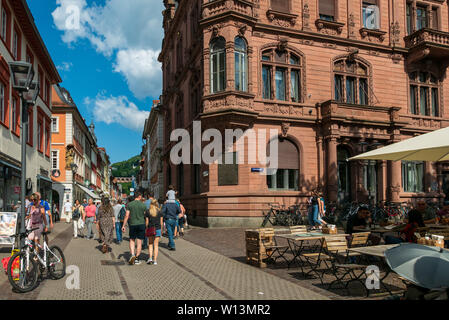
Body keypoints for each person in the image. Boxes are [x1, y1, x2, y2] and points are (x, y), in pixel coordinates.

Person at [122, 192, 147, 265]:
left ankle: (132, 254)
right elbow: (146, 215)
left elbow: (126, 215)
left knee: (132, 240)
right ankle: (137, 258)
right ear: (139, 197)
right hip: (141, 224)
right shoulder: (143, 205)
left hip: (132, 224)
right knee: (139, 242)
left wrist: (123, 225)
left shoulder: (129, 204)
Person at [145, 199, 163, 265]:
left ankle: (150, 258)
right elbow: (161, 222)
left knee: (150, 244)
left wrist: (146, 228)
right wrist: (162, 230)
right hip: (158, 229)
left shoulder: (148, 211)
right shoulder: (160, 211)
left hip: (150, 229)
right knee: (156, 245)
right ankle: (155, 260)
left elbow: (147, 222)